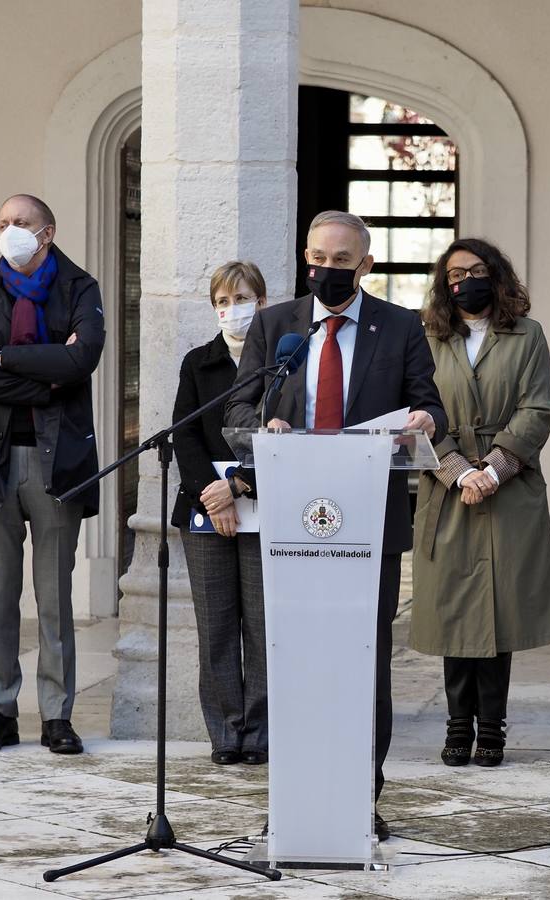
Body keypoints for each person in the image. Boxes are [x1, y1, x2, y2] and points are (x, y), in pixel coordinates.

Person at [226, 210, 446, 838]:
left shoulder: (399, 327)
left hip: (367, 519)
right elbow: (238, 408)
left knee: (362, 660)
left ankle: (360, 797)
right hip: (292, 519)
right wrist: (261, 430)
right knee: (292, 657)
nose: (325, 270)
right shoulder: (276, 327)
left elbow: (428, 403)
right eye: (317, 258)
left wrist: (426, 421)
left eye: (341, 262)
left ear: (365, 266)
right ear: (305, 255)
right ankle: (294, 793)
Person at [0, 194, 105, 755]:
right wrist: (47, 373)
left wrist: (7, 359)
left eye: (20, 223)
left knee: (54, 595)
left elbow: (82, 359)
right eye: (2, 224)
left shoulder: (80, 289)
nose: (9, 232)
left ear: (47, 232)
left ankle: (57, 714)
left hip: (55, 459)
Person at [409, 237, 550, 768]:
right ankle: (457, 726)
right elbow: (416, 409)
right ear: (443, 284)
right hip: (447, 486)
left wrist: (493, 470)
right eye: (454, 275)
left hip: (509, 487)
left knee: (498, 614)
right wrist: (458, 471)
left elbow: (537, 409)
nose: (464, 282)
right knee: (455, 611)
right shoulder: (427, 336)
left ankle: (492, 729)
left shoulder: (528, 335)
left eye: (476, 271)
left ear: (496, 276)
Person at [171, 260, 269, 766]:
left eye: (243, 299)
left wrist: (238, 488)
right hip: (204, 508)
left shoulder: (280, 362)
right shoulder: (198, 362)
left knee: (261, 623)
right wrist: (213, 492)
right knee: (216, 625)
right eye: (223, 302)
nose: (233, 310)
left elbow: (283, 432)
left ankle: (258, 733)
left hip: (263, 503)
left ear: (263, 302)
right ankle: (226, 733)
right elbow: (183, 434)